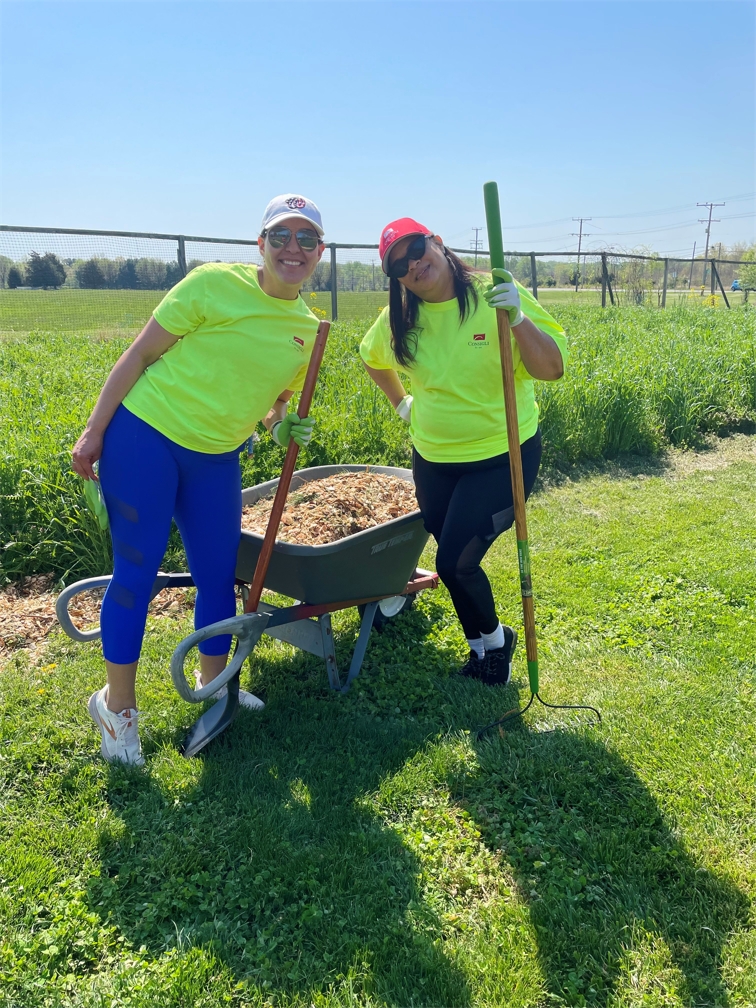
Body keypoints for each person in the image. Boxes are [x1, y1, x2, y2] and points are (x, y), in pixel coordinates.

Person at [72, 194, 327, 765]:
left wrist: (285, 426)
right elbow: (139, 356)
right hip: (146, 438)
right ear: (260, 244)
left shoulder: (309, 332)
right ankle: (117, 710)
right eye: (280, 237)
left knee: (218, 577)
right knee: (135, 575)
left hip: (214, 458)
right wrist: (95, 432)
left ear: (320, 252)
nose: (293, 249)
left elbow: (275, 403)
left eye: (305, 239)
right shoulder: (211, 284)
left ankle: (213, 690)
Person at [360, 218, 567, 686]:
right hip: (433, 458)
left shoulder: (493, 294)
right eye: (398, 265)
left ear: (435, 242)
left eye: (416, 248)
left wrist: (517, 318)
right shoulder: (401, 315)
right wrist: (401, 403)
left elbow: (551, 367)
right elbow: (372, 357)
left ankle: (494, 647)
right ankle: (483, 648)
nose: (413, 264)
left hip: (502, 454)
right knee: (449, 551)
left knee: (454, 562)